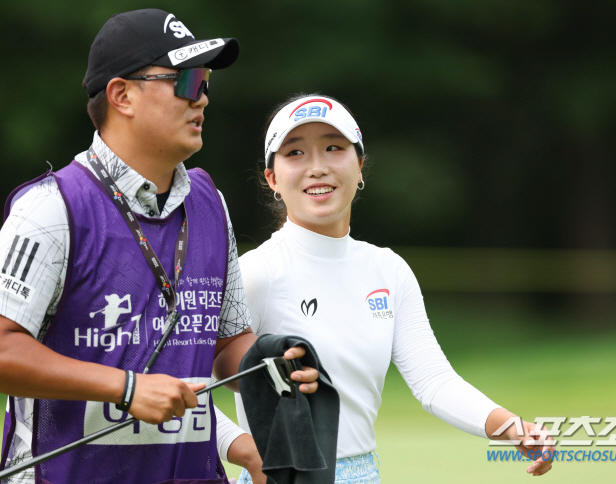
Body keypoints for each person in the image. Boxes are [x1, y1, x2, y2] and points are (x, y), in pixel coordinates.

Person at [0, 10, 317, 484]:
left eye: (206, 83)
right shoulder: (49, 208)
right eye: (186, 81)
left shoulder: (211, 203)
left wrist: (273, 361)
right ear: (122, 95)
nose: (203, 98)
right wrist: (124, 388)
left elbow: (228, 342)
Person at [232, 94, 555, 483]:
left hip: (365, 473)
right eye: (295, 153)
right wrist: (244, 451)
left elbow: (433, 381)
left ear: (360, 166)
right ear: (272, 179)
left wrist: (511, 428)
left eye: (333, 148)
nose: (317, 167)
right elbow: (191, 386)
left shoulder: (387, 269)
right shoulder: (254, 273)